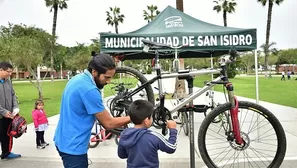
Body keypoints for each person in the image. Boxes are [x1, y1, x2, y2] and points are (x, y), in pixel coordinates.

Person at [54, 53, 130, 168]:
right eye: (106, 77)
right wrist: (134, 117)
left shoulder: (77, 79)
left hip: (63, 140)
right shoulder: (89, 90)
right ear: (94, 72)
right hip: (74, 148)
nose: (108, 81)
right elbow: (109, 123)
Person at [118, 100, 177, 168]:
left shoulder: (124, 135)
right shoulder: (154, 136)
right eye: (151, 116)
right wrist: (173, 129)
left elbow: (122, 155)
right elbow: (171, 147)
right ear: (146, 121)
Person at [0, 62, 21, 160]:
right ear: (1, 70)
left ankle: (6, 153)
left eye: (11, 72)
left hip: (9, 115)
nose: (10, 74)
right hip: (2, 114)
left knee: (7, 135)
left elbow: (13, 94)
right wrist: (3, 111)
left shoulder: (8, 81)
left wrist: (15, 107)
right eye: (8, 72)